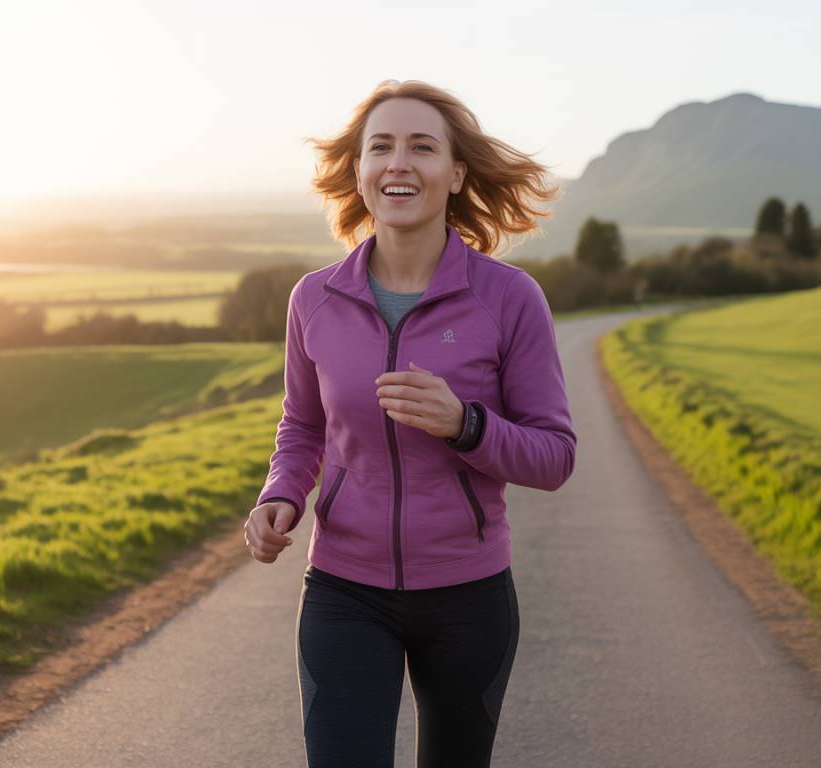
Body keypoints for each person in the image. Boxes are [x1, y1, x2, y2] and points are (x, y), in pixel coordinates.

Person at [243, 79, 578, 768]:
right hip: (343, 590)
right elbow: (304, 426)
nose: (399, 162)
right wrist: (281, 496)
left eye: (422, 147)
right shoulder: (314, 299)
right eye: (381, 147)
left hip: (468, 598)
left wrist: (467, 424)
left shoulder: (509, 299)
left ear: (455, 174)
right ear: (360, 173)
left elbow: (554, 456)